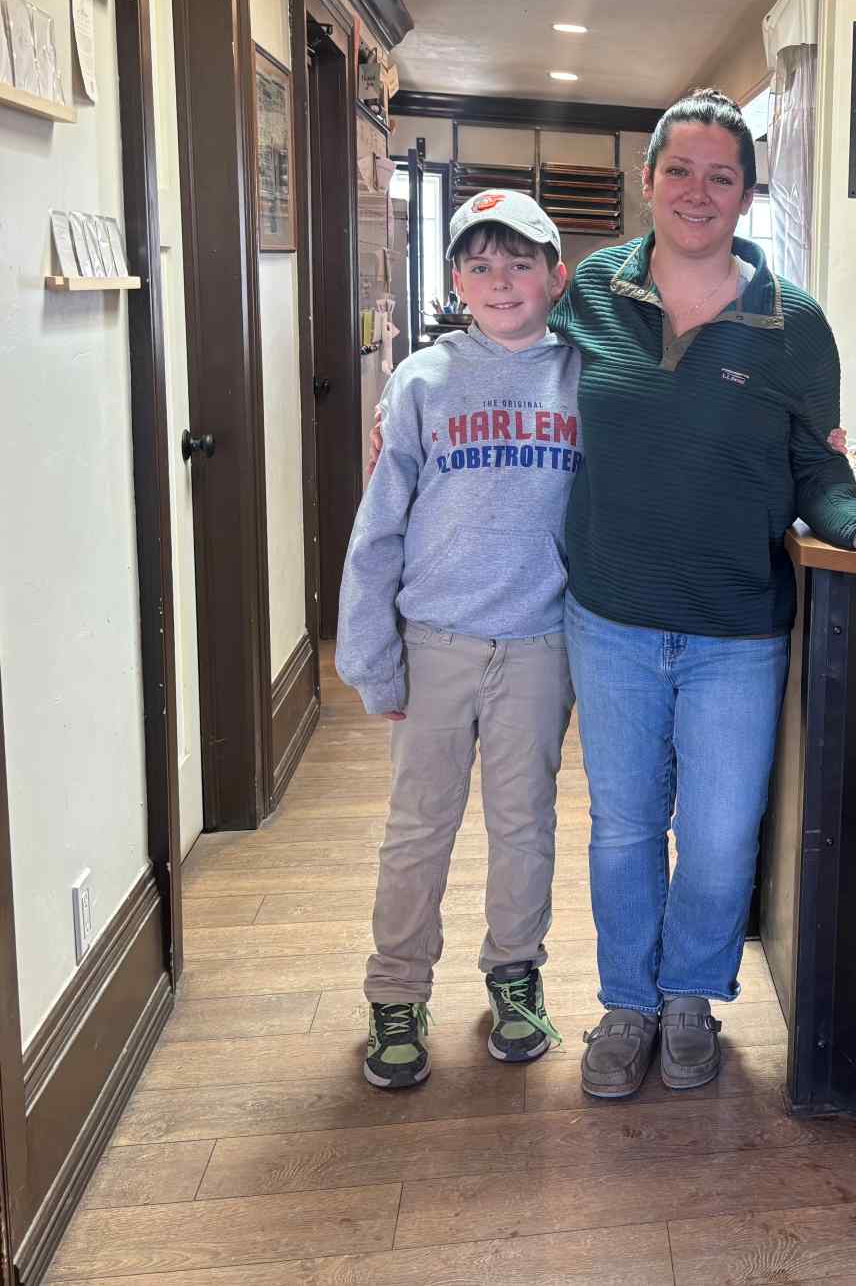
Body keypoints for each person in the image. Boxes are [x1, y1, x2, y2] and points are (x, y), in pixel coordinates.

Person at [558, 89, 856, 1098]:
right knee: (623, 826)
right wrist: (413, 405)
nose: (696, 191)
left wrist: (855, 520)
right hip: (611, 617)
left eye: (722, 175)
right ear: (646, 182)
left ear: (749, 196)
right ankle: (625, 1007)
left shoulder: (793, 325)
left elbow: (817, 462)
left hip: (736, 630)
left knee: (719, 836)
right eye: (678, 169)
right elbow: (508, 366)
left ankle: (689, 1001)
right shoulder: (589, 290)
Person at [335, 190, 583, 1089]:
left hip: (539, 643)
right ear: (455, 281)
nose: (501, 281)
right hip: (434, 640)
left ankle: (516, 974)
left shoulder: (583, 376)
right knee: (417, 829)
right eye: (479, 265)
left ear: (557, 276)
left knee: (525, 826)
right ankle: (397, 989)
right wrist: (369, 654)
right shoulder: (423, 382)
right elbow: (379, 526)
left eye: (521, 262)